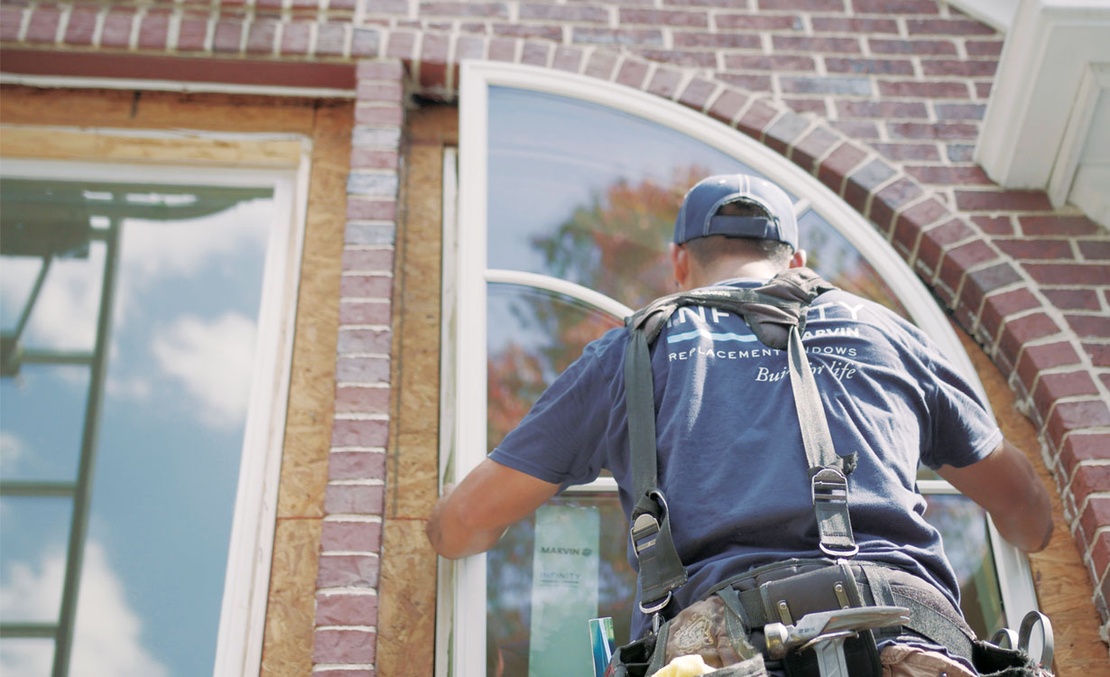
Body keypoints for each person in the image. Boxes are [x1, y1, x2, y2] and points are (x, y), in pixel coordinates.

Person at [426, 173, 1053, 675]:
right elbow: (1030, 516)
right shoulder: (883, 331)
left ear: (679, 262)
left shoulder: (635, 352)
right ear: (795, 260)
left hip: (722, 645)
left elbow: (463, 524)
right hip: (913, 632)